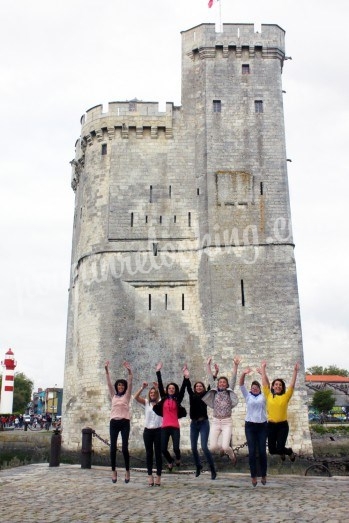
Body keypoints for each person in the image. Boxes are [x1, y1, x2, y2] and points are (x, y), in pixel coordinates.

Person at [182, 360, 217, 480]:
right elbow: (187, 387)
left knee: (204, 446)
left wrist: (215, 373)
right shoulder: (192, 395)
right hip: (194, 424)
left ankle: (212, 469)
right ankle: (198, 466)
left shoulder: (206, 395)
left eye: (200, 386)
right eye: (197, 386)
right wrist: (186, 376)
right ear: (195, 388)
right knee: (193, 447)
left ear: (202, 388)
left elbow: (211, 386)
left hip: (203, 423)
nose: (198, 387)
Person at [202, 357, 240, 465]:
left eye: (224, 382)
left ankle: (232, 455)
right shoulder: (215, 391)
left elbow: (233, 378)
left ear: (227, 385)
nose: (222, 384)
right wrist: (208, 365)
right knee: (213, 447)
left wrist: (236, 366)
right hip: (215, 421)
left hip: (227, 422)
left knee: (226, 446)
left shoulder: (229, 391)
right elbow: (210, 378)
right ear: (218, 384)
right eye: (220, 382)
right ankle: (223, 450)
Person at [260, 360, 299, 462]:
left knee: (281, 447)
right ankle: (282, 452)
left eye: (280, 385)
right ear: (273, 386)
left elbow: (292, 385)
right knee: (272, 450)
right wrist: (263, 369)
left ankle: (289, 452)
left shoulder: (286, 396)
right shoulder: (268, 395)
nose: (278, 386)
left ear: (282, 388)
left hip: (282, 426)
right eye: (276, 384)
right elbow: (264, 383)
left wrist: (295, 371)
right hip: (271, 426)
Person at [152, 362, 186, 471]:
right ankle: (170, 461)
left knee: (176, 448)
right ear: (167, 390)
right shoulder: (164, 398)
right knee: (163, 449)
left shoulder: (177, 400)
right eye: (169, 388)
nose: (171, 389)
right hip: (165, 427)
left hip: (175, 427)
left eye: (173, 388)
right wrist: (158, 371)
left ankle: (178, 458)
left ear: (175, 390)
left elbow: (183, 389)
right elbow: (161, 385)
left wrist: (186, 377)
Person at [105, 360, 133, 483]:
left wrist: (129, 371)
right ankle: (113, 471)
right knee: (112, 448)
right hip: (114, 423)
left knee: (125, 448)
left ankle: (127, 471)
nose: (120, 386)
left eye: (122, 385)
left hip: (124, 422)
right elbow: (109, 384)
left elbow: (131, 382)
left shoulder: (127, 396)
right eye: (119, 385)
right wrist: (106, 370)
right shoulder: (113, 396)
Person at [239, 367, 268, 487]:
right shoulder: (248, 396)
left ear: (259, 389)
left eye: (256, 388)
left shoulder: (264, 396)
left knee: (262, 451)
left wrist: (263, 373)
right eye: (253, 388)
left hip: (262, 425)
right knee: (251, 452)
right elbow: (240, 384)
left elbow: (267, 385)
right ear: (251, 389)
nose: (254, 389)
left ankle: (264, 475)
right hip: (250, 426)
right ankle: (253, 476)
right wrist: (243, 374)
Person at [134, 382, 163, 486]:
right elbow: (135, 397)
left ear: (157, 394)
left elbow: (163, 396)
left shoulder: (160, 402)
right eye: (151, 393)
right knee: (149, 454)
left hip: (158, 430)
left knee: (158, 454)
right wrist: (142, 388)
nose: (152, 394)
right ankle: (150, 475)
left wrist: (158, 388)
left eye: (154, 393)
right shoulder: (146, 402)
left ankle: (158, 476)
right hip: (148, 431)